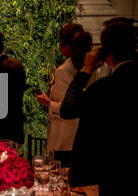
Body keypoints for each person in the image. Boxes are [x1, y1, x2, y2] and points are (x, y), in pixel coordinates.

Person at [60, 22, 138, 196]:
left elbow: (67, 109)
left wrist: (87, 69)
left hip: (111, 178)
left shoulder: (105, 88)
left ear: (106, 52)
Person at [36, 24, 109, 167]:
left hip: (66, 139)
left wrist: (48, 102)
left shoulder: (63, 71)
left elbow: (68, 108)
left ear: (66, 47)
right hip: (89, 137)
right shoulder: (96, 67)